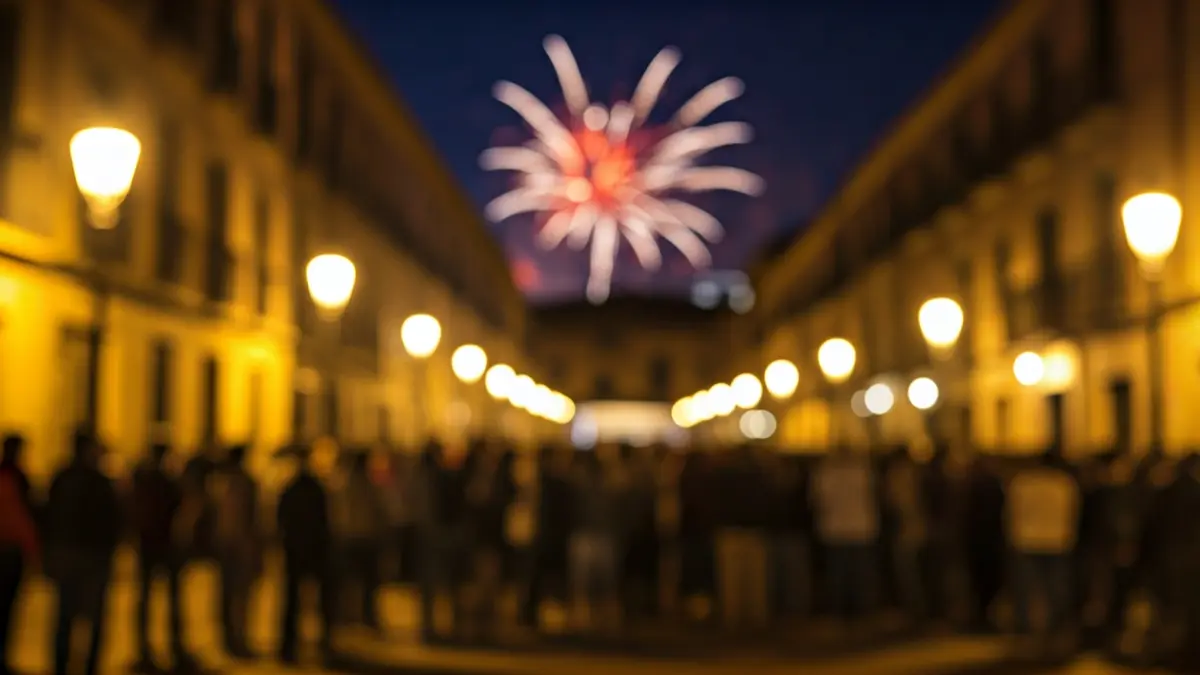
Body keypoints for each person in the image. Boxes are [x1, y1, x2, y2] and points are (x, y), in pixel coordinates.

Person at [43, 432, 121, 675]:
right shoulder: (99, 481)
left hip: (69, 554)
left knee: (65, 617)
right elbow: (112, 521)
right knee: (91, 619)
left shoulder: (62, 477)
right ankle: (87, 667)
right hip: (91, 558)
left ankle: (61, 666)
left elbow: (48, 516)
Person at [129, 441, 192, 673]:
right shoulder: (167, 482)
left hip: (148, 546)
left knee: (146, 599)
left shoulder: (142, 481)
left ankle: (144, 650)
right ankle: (174, 647)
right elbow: (180, 509)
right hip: (165, 546)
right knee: (171, 600)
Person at [1007, 449, 1080, 642]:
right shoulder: (1064, 484)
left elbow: (1013, 513)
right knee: (1056, 586)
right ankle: (1056, 624)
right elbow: (1072, 513)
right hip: (1057, 540)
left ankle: (1025, 625)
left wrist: (1013, 537)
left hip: (1027, 539)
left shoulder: (1022, 483)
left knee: (1026, 586)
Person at [277, 443, 334, 665]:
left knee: (294, 600)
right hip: (310, 549)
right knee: (313, 600)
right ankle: (319, 643)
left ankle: (290, 646)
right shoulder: (313, 488)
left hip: (299, 549)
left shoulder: (293, 489)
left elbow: (282, 519)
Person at [812, 444, 879, 622]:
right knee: (859, 574)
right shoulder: (862, 472)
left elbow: (818, 501)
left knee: (839, 574)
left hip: (836, 529)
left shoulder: (826, 474)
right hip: (859, 529)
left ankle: (840, 612)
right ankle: (863, 611)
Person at [212, 444, 261, 658]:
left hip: (225, 543)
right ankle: (237, 639)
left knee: (227, 594)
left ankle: (228, 639)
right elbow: (252, 517)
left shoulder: (219, 483)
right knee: (240, 596)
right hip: (239, 545)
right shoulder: (246, 482)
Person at [332, 448, 385, 631]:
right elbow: (377, 512)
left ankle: (350, 616)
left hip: (350, 538)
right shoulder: (366, 485)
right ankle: (365, 616)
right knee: (365, 582)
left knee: (351, 581)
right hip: (363, 538)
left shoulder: (342, 483)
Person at [0, 434, 37, 675]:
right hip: (10, 551)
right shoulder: (19, 478)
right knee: (7, 608)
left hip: (8, 549)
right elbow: (24, 518)